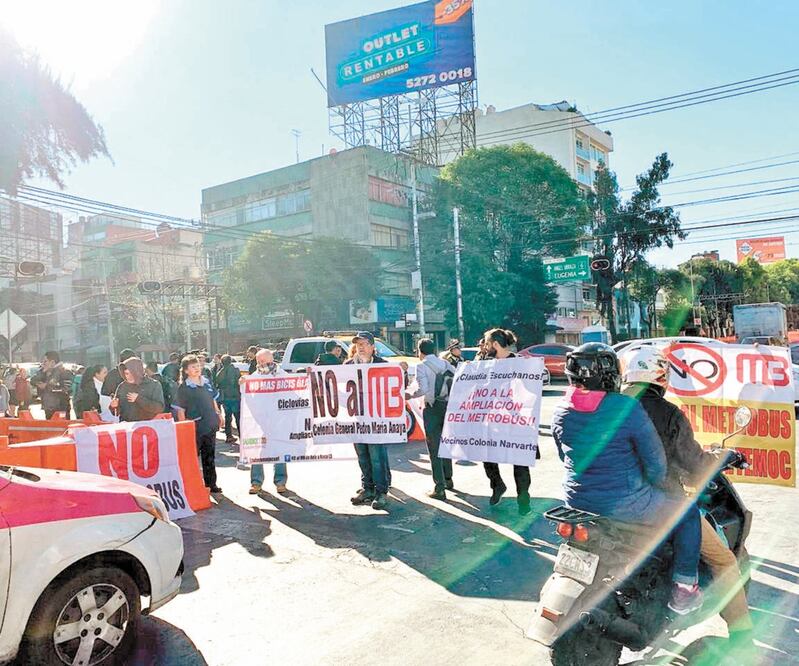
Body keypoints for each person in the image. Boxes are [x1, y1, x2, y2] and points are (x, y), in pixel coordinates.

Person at [552, 342, 703, 615]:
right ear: (611, 375)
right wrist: (657, 487)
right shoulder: (625, 407)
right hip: (625, 504)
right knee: (688, 513)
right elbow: (656, 465)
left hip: (576, 502)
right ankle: (684, 587)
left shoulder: (561, 409)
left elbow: (564, 457)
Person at [620, 346, 753, 637]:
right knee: (724, 560)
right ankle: (742, 636)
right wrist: (721, 457)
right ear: (661, 376)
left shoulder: (610, 406)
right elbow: (692, 464)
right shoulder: (667, 413)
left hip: (613, 502)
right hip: (659, 502)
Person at [480, 328, 533, 516]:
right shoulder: (487, 364)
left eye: (487, 344)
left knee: (519, 460)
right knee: (488, 456)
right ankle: (498, 485)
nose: (485, 348)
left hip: (516, 420)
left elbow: (530, 390)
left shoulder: (519, 363)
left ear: (495, 344)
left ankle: (523, 497)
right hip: (494, 421)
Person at [346, 331, 391, 510]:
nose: (361, 348)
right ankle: (368, 489)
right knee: (363, 456)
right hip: (357, 419)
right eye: (358, 345)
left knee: (377, 456)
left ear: (373, 346)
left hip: (376, 420)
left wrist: (401, 371)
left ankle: (381, 491)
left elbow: (397, 386)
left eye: (364, 344)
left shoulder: (383, 365)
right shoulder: (348, 365)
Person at [405, 338, 455, 500]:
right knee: (446, 443)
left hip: (432, 409)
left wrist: (409, 394)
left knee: (434, 447)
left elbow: (423, 389)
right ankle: (448, 479)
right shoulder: (446, 364)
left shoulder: (421, 366)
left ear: (420, 351)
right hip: (448, 407)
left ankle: (439, 487)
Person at [174, 354, 223, 494]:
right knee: (193, 458)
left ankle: (211, 484)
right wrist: (183, 427)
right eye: (193, 367)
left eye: (198, 366)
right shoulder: (184, 388)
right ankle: (192, 486)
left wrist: (219, 414)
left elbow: (213, 400)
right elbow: (180, 410)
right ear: (186, 370)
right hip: (194, 427)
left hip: (210, 423)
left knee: (210, 456)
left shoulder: (206, 381)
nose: (197, 369)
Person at [248, 349, 288, 494]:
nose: (260, 364)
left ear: (271, 360)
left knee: (279, 450)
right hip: (260, 420)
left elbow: (294, 391)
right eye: (258, 361)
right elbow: (247, 394)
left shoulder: (282, 374)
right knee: (258, 450)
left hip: (278, 419)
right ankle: (256, 482)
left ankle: (280, 482)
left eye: (263, 361)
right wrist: (242, 384)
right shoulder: (254, 376)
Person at [110, 357, 165, 422]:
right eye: (126, 373)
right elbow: (116, 413)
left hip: (148, 426)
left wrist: (139, 399)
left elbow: (159, 408)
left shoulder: (154, 385)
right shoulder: (122, 386)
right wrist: (114, 406)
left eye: (132, 373)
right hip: (127, 427)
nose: (129, 377)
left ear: (138, 372)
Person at [33, 351, 74, 419]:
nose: (43, 364)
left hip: (61, 407)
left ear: (52, 362)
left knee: (61, 427)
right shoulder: (44, 372)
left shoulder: (64, 372)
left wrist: (46, 386)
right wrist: (42, 373)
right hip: (48, 407)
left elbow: (65, 389)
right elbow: (33, 380)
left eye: (45, 361)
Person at [215, 354, 242, 444]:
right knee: (238, 418)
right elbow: (239, 383)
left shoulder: (220, 372)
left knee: (228, 417)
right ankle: (241, 436)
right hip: (235, 397)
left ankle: (228, 436)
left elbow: (217, 382)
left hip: (225, 397)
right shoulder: (235, 370)